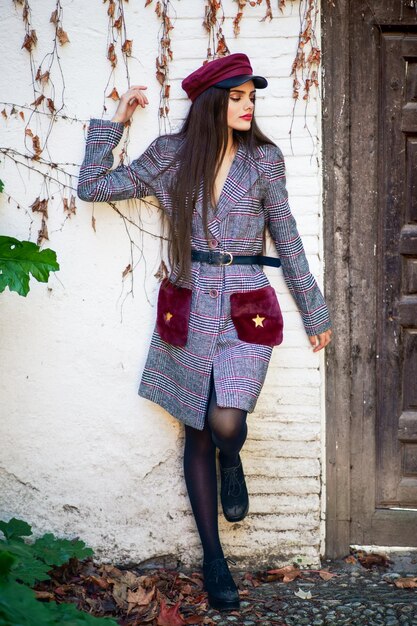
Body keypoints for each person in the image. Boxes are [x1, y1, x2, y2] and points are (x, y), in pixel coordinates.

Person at [77, 53, 332, 613]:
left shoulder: (264, 160)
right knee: (195, 428)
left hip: (246, 304)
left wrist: (315, 311)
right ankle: (214, 559)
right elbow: (92, 186)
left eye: (252, 98)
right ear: (213, 101)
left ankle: (231, 454)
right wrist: (116, 122)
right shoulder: (172, 156)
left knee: (224, 422)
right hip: (189, 304)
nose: (247, 106)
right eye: (238, 97)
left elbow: (286, 237)